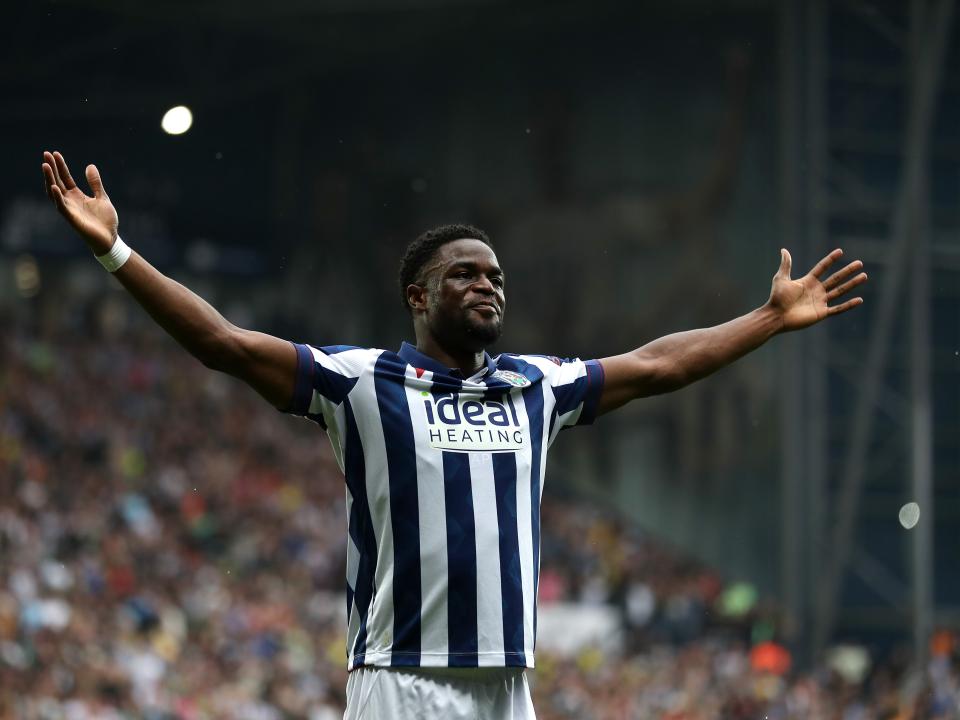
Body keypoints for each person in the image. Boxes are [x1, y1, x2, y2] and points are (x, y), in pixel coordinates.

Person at [41, 150, 867, 719]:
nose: (487, 285)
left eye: (496, 276)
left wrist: (765, 319)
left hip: (508, 688)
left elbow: (658, 365)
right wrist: (115, 250)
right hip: (402, 683)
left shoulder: (534, 386)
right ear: (416, 293)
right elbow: (221, 342)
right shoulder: (360, 381)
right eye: (464, 272)